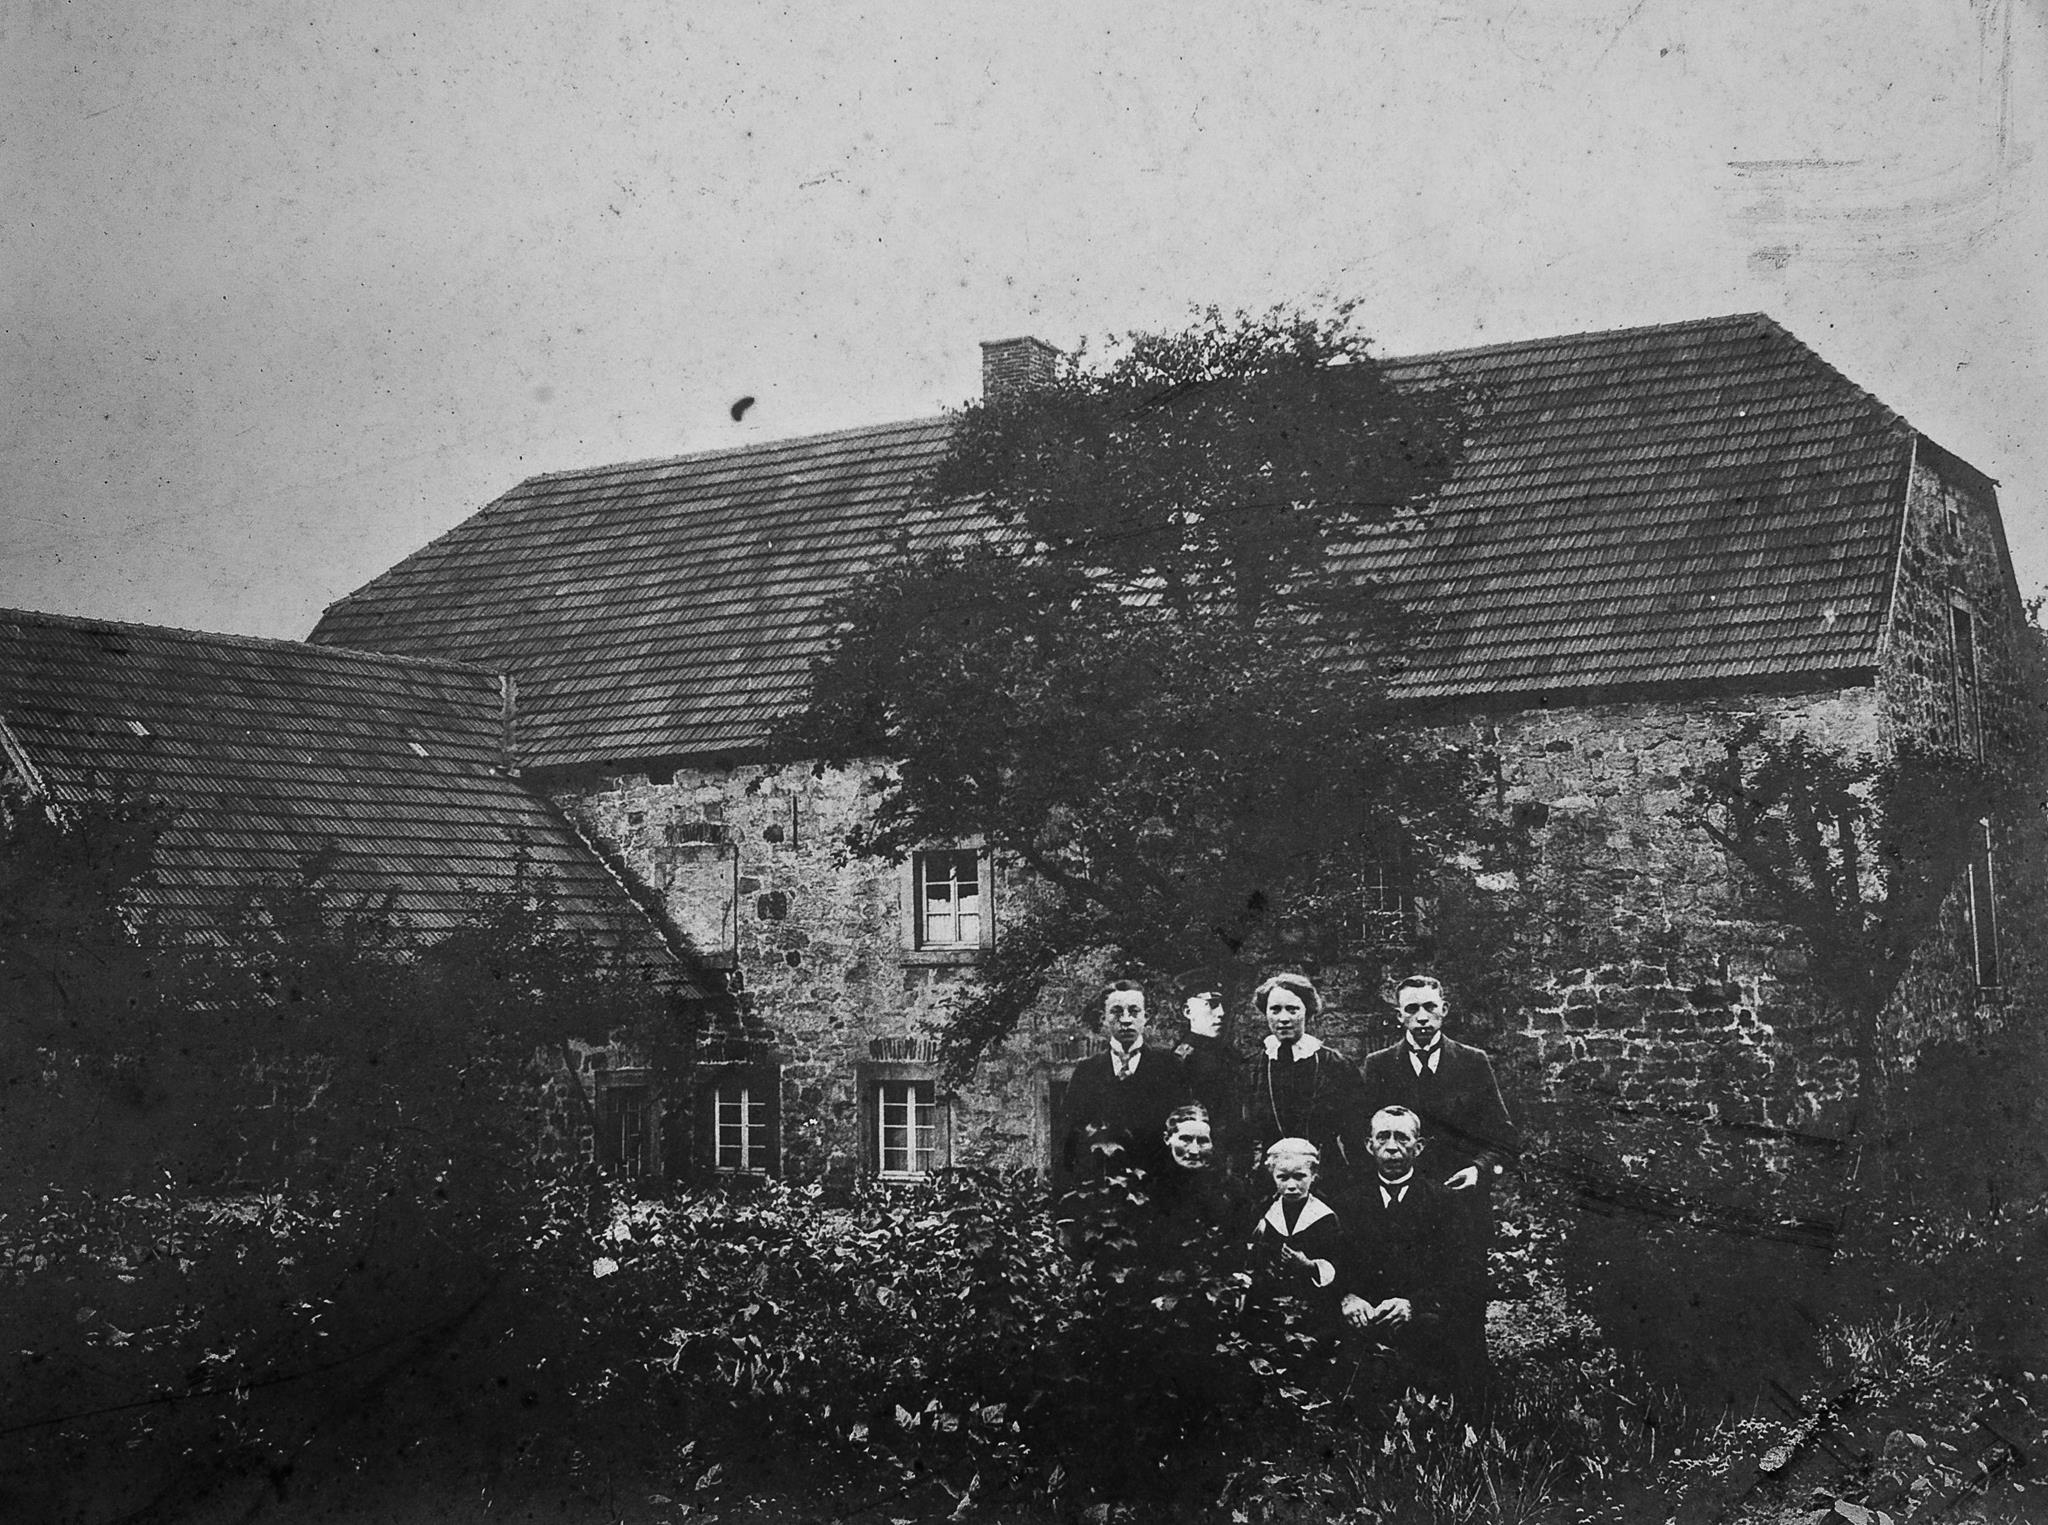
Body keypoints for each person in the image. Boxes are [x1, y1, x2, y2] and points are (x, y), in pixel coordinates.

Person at [1359, 974, 1519, 1404]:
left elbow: (1504, 1137)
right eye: (1412, 1009)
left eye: (1430, 1007)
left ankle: (1471, 1404)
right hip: (1401, 1206)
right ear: (1399, 1016)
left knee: (1463, 1303)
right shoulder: (1379, 1065)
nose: (1422, 1017)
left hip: (1461, 1206)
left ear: (1444, 1010)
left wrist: (1478, 1171)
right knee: (1403, 1302)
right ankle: (1404, 1402)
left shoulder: (1472, 1062)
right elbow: (1365, 1136)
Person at [1340, 1106, 1455, 1399]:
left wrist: (1413, 1304)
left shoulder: (1444, 1202)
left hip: (1422, 1327)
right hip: (1362, 1324)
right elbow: (1332, 1264)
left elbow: (1461, 1273)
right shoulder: (1347, 1201)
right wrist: (1347, 1297)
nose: (1392, 1147)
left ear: (1419, 1146)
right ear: (1369, 1145)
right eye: (1383, 1137)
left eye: (1402, 1138)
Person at [1054, 978, 1191, 1198]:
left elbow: (1183, 1132)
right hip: (1102, 1192)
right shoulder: (1087, 1072)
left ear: (1146, 1017)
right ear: (1104, 1018)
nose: (1126, 1020)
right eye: (1116, 1012)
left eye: (1134, 1011)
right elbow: (1069, 1139)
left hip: (1158, 1191)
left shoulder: (1169, 1067)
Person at [1246, 972, 1371, 1208]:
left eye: (1292, 1009)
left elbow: (1355, 1135)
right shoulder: (1252, 1068)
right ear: (1265, 1013)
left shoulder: (1336, 1065)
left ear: (1308, 1011)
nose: (1284, 1018)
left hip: (1328, 1180)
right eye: (1275, 1010)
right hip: (1269, 1181)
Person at [1245, 1137, 1350, 1384]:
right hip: (1269, 1301)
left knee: (1308, 1363)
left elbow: (1337, 1263)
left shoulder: (1325, 1218)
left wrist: (1308, 1266)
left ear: (1313, 1176)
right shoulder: (1265, 1213)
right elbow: (1252, 1253)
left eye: (1300, 1177)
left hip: (1311, 1307)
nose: (1291, 1185)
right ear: (1273, 1176)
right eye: (1283, 1177)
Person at [1170, 987, 1242, 1158]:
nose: (1221, 1013)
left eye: (1223, 1005)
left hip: (1235, 1153)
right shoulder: (1181, 1060)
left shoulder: (1230, 1054)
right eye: (1212, 1004)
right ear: (1188, 1011)